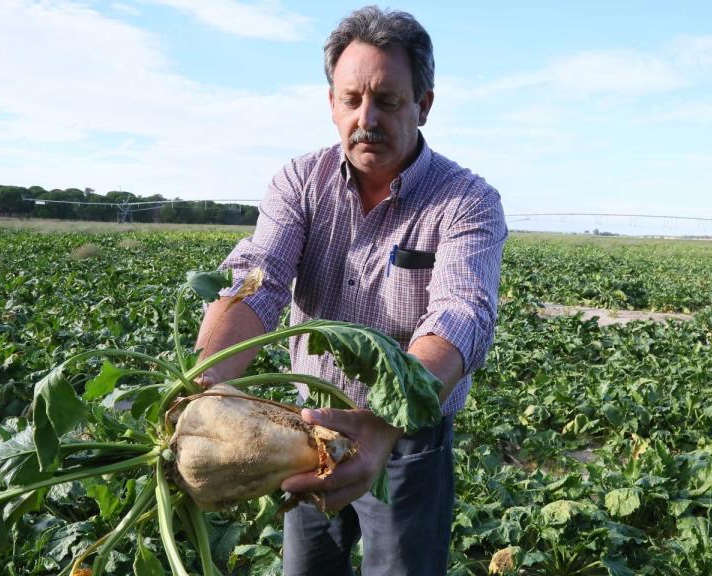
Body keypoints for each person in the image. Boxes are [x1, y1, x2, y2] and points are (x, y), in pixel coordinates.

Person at [194, 6, 507, 575]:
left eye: (388, 101)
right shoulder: (300, 182)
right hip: (305, 430)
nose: (367, 118)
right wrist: (204, 381)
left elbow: (462, 312)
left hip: (407, 436)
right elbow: (258, 278)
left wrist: (384, 423)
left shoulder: (466, 200)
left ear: (423, 105)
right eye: (351, 99)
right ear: (332, 103)